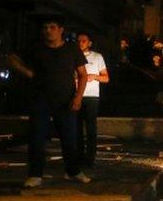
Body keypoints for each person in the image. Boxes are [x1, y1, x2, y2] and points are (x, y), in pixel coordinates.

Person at [6, 15, 89, 187]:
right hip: (40, 99)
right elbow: (12, 58)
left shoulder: (72, 49)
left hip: (65, 100)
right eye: (45, 27)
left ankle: (73, 171)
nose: (48, 31)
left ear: (60, 30)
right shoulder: (36, 48)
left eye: (52, 27)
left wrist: (78, 97)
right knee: (37, 137)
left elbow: (83, 74)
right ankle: (35, 174)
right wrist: (28, 73)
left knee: (70, 138)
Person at [76, 32, 109, 168]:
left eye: (83, 41)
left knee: (90, 128)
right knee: (76, 128)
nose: (80, 43)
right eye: (78, 41)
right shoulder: (73, 56)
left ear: (89, 43)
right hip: (76, 95)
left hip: (91, 97)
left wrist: (94, 76)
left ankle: (90, 158)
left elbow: (106, 78)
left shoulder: (97, 57)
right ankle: (78, 157)